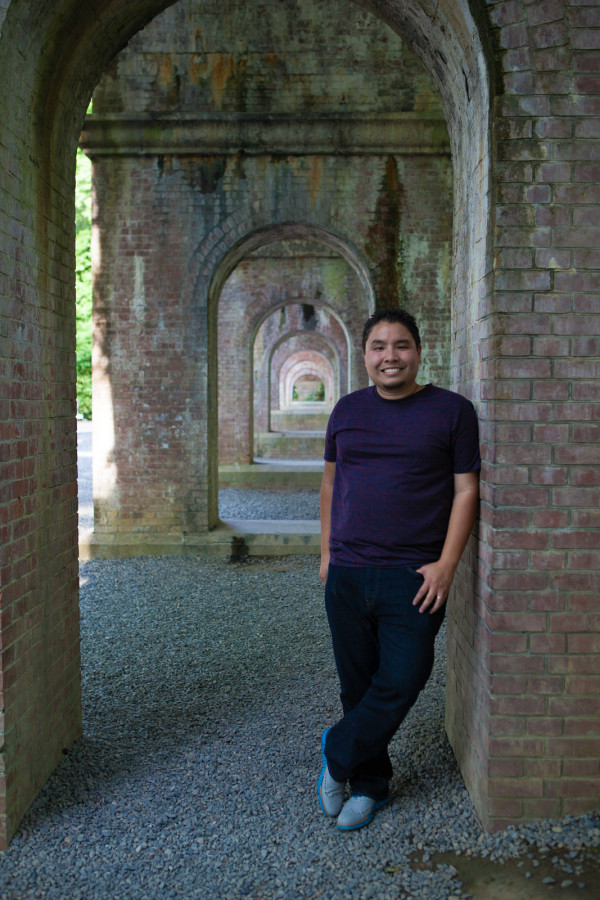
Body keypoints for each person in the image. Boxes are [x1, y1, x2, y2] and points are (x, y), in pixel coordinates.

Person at [317, 308, 480, 831]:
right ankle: (369, 784)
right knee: (356, 685)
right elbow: (328, 484)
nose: (391, 356)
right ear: (364, 355)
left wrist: (447, 564)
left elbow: (465, 490)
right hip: (347, 570)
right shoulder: (345, 410)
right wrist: (325, 555)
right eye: (379, 346)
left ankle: (336, 749)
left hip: (414, 574)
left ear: (418, 351)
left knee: (406, 676)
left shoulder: (452, 411)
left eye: (401, 345)